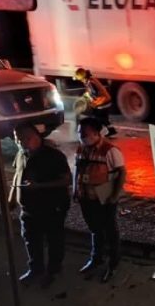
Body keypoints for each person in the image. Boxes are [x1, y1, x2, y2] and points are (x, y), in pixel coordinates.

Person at [8, 122, 72, 287]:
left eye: (25, 138)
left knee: (54, 240)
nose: (21, 142)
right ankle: (35, 269)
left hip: (51, 208)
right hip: (28, 209)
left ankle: (53, 271)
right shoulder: (21, 154)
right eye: (17, 139)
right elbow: (17, 175)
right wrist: (11, 198)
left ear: (36, 136)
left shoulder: (53, 156)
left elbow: (66, 180)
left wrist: (39, 186)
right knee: (31, 240)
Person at [73, 117, 127, 283]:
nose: (81, 136)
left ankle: (113, 264)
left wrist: (114, 195)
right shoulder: (81, 149)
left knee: (110, 231)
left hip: (104, 198)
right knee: (95, 229)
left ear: (96, 133)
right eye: (79, 132)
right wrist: (75, 190)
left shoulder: (110, 151)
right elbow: (77, 170)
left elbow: (121, 173)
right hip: (86, 197)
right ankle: (96, 259)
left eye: (84, 133)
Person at [74, 67, 117, 137]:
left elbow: (95, 93)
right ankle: (111, 130)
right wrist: (86, 95)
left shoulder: (90, 82)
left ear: (82, 77)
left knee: (97, 117)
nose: (80, 81)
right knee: (103, 118)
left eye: (79, 79)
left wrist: (89, 98)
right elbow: (91, 92)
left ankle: (95, 134)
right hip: (104, 101)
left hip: (103, 102)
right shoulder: (89, 80)